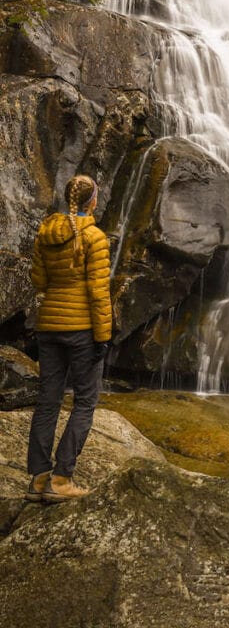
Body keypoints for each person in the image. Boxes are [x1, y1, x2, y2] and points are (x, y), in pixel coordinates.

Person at [25, 173, 112, 503]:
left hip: (48, 327)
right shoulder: (94, 237)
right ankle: (62, 478)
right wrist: (103, 337)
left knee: (48, 400)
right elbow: (98, 292)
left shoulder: (45, 233)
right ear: (91, 201)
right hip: (81, 330)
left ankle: (37, 479)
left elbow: (39, 281)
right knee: (86, 401)